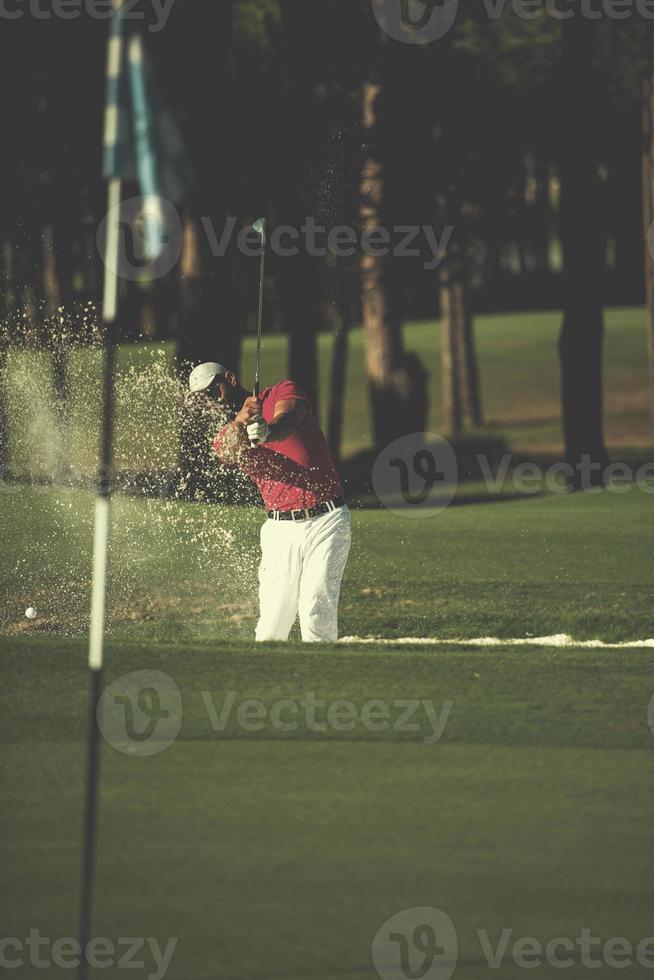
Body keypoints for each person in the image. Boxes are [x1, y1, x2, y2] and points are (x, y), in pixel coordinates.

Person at [188, 361, 351, 643]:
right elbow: (227, 451)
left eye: (215, 389)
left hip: (326, 520)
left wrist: (267, 431)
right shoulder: (226, 435)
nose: (212, 399)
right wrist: (241, 421)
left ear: (230, 378)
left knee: (314, 611)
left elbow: (287, 421)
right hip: (279, 530)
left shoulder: (283, 391)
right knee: (271, 627)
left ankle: (321, 680)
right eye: (203, 397)